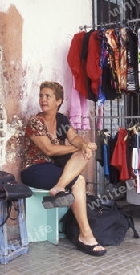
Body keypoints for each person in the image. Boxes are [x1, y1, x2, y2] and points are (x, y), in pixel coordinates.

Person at [20, 81, 106, 257]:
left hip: (54, 169)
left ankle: (60, 187)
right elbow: (49, 150)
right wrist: (79, 147)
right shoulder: (35, 122)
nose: (43, 99)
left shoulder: (62, 120)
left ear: (58, 101)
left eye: (48, 96)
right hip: (34, 169)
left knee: (84, 154)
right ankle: (86, 234)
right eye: (41, 96)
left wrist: (84, 145)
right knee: (79, 180)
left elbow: (74, 138)